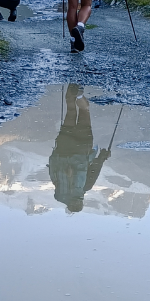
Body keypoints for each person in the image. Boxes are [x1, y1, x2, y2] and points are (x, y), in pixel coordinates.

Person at [48, 84, 111, 212]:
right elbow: (53, 166)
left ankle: (80, 95)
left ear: (81, 201)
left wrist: (103, 156)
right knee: (70, 111)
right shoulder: (58, 186)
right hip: (63, 146)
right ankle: (72, 92)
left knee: (84, 111)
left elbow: (95, 167)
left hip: (83, 146)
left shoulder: (85, 187)